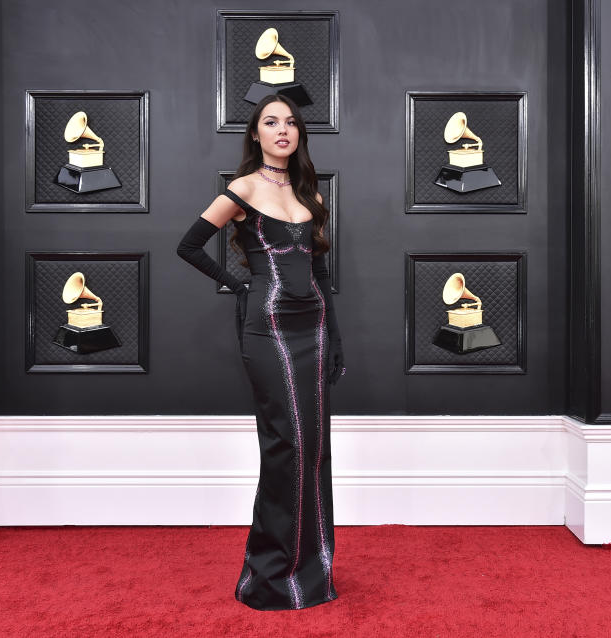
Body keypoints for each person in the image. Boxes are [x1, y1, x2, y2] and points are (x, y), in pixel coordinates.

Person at [177, 94, 343, 610]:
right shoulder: (242, 189)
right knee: (286, 445)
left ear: (299, 135)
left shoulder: (308, 194)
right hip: (267, 326)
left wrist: (335, 337)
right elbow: (188, 245)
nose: (282, 130)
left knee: (315, 450)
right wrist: (239, 284)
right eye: (271, 122)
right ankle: (271, 577)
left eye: (291, 122)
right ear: (255, 134)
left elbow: (319, 276)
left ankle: (313, 572)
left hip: (312, 328)